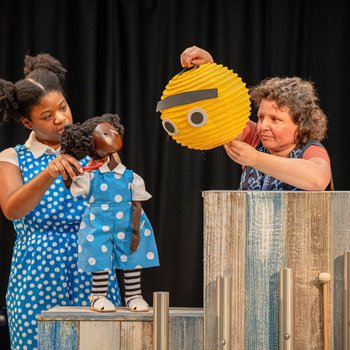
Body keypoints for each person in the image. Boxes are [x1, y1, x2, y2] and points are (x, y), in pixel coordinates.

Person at [0, 53, 121, 350]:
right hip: (37, 272)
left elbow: (119, 196)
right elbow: (12, 208)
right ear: (27, 121)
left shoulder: (93, 147)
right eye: (46, 116)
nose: (61, 118)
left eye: (63, 107)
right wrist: (49, 171)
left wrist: (107, 155)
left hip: (93, 267)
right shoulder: (13, 156)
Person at [180, 46, 332, 191]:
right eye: (260, 117)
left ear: (301, 124)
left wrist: (256, 159)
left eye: (275, 119)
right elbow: (219, 114)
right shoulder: (255, 139)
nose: (262, 126)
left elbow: (317, 179)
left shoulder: (310, 149)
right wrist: (208, 69)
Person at [60, 113, 159, 312]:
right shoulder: (91, 176)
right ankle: (97, 296)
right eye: (105, 132)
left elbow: (137, 205)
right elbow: (73, 186)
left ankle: (133, 295)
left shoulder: (131, 177)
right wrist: (67, 173)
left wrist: (136, 231)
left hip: (127, 221)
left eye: (111, 130)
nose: (112, 134)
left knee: (132, 256)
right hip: (98, 222)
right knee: (99, 257)